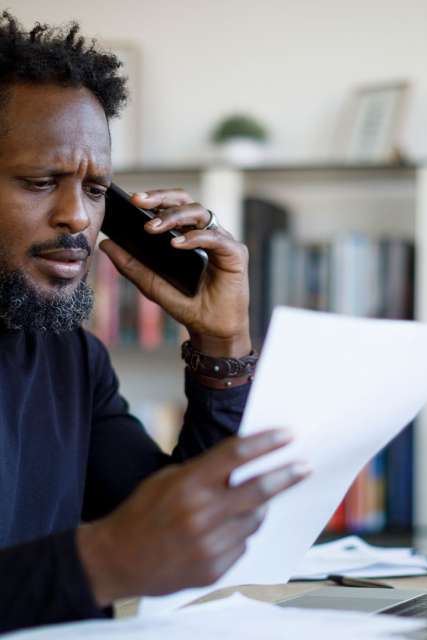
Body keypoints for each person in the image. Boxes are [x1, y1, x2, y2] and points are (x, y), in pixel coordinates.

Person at [0, 12, 310, 633]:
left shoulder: (72, 359)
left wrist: (221, 344)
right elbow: (121, 552)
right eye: (41, 182)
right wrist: (103, 559)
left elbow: (185, 529)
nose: (79, 219)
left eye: (96, 189)